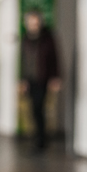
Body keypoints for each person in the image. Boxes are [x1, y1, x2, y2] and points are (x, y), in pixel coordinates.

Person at [19, 9, 61, 153]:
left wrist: (55, 77)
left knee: (39, 107)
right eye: (31, 22)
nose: (33, 25)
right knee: (33, 109)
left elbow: (55, 58)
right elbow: (23, 60)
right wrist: (22, 80)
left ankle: (41, 140)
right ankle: (37, 138)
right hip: (30, 79)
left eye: (35, 22)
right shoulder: (26, 38)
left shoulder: (47, 38)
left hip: (43, 78)